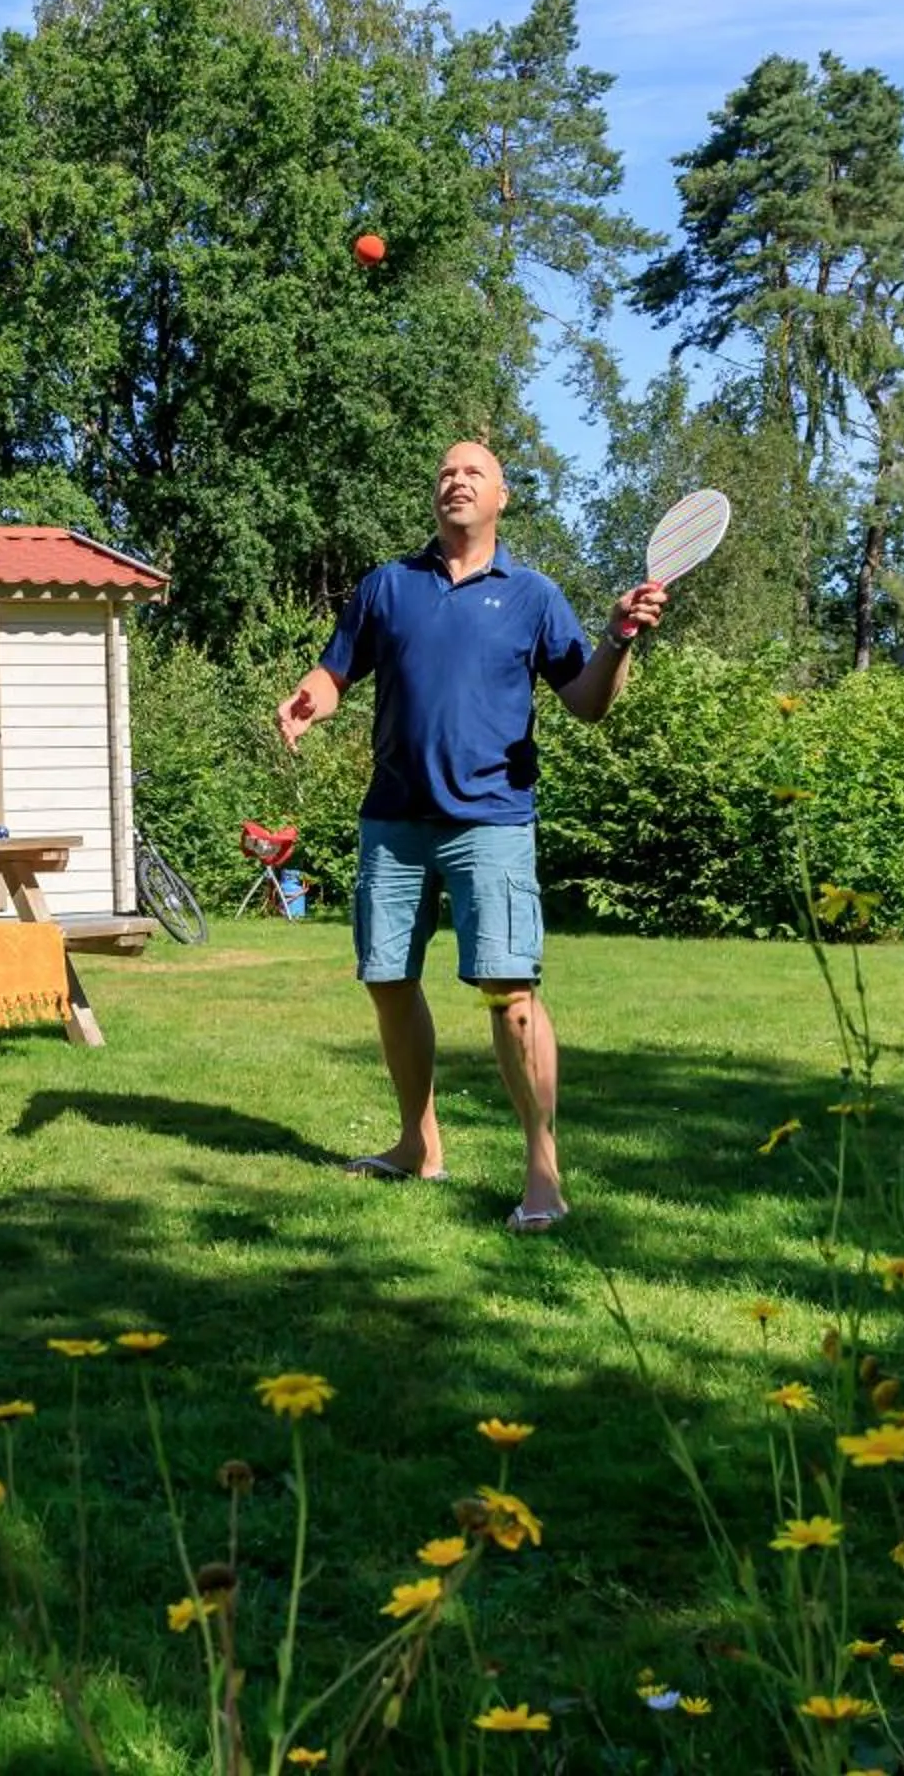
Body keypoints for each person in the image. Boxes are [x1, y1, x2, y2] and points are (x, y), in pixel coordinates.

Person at [276, 438, 665, 1234]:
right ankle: (418, 1145)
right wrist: (310, 699)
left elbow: (588, 702)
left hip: (491, 819)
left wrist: (619, 639)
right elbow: (336, 670)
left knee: (510, 995)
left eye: (472, 473)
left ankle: (543, 1171)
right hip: (392, 820)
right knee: (386, 979)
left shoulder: (533, 596)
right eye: (446, 473)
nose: (456, 481)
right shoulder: (389, 585)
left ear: (503, 497)